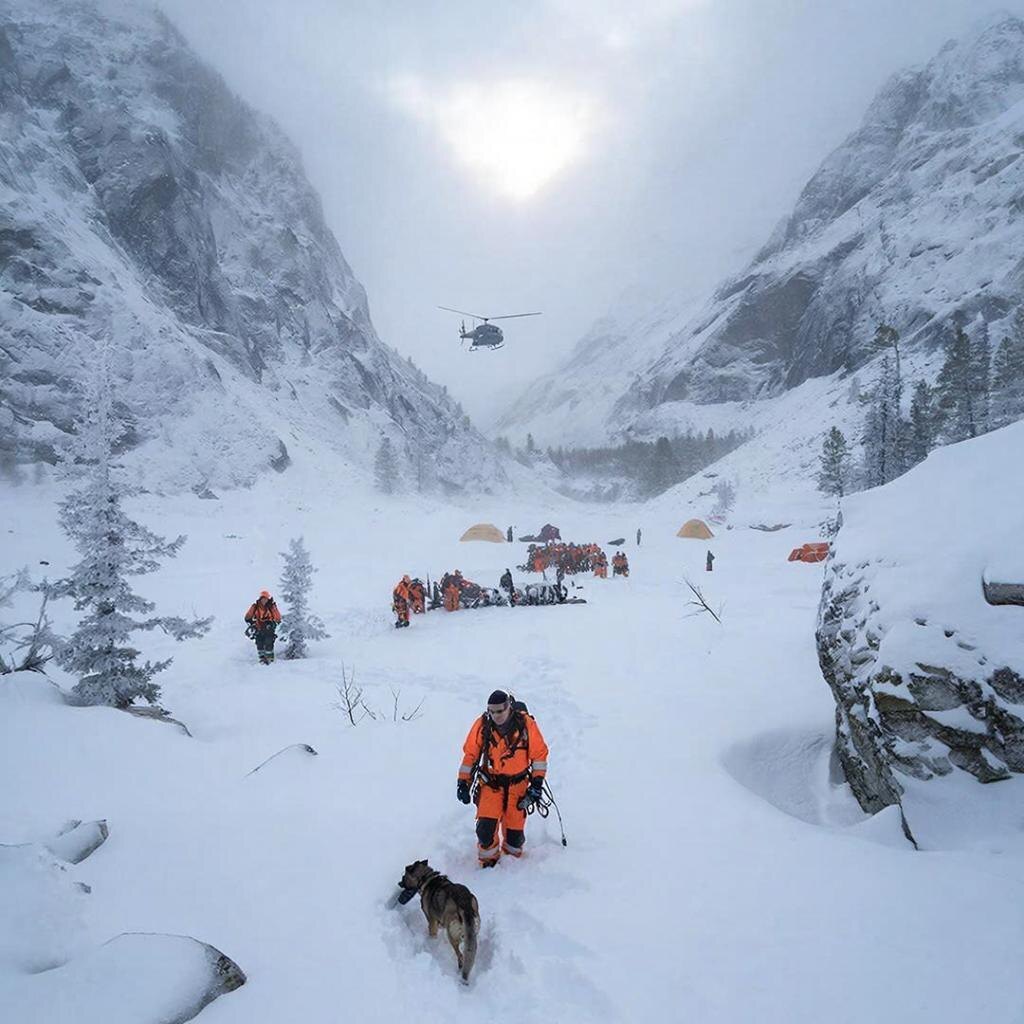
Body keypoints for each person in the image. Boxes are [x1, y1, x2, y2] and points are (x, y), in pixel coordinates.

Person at [457, 690, 549, 867]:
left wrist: (537, 783)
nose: (495, 716)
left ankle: (512, 865)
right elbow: (470, 755)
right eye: (492, 712)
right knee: (485, 830)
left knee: (515, 839)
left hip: (518, 786)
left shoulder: (526, 725)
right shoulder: (482, 725)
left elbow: (539, 755)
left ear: (509, 708)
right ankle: (489, 861)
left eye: (499, 711)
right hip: (491, 784)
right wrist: (463, 782)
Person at [244, 590, 282, 664]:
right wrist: (252, 624)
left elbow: (278, 618)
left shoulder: (272, 607)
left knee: (269, 643)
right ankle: (262, 659)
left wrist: (272, 623)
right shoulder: (255, 607)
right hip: (259, 628)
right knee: (259, 643)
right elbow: (247, 617)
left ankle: (270, 659)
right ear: (260, 599)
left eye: (265, 598)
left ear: (268, 599)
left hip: (269, 629)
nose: (264, 600)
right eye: (262, 598)